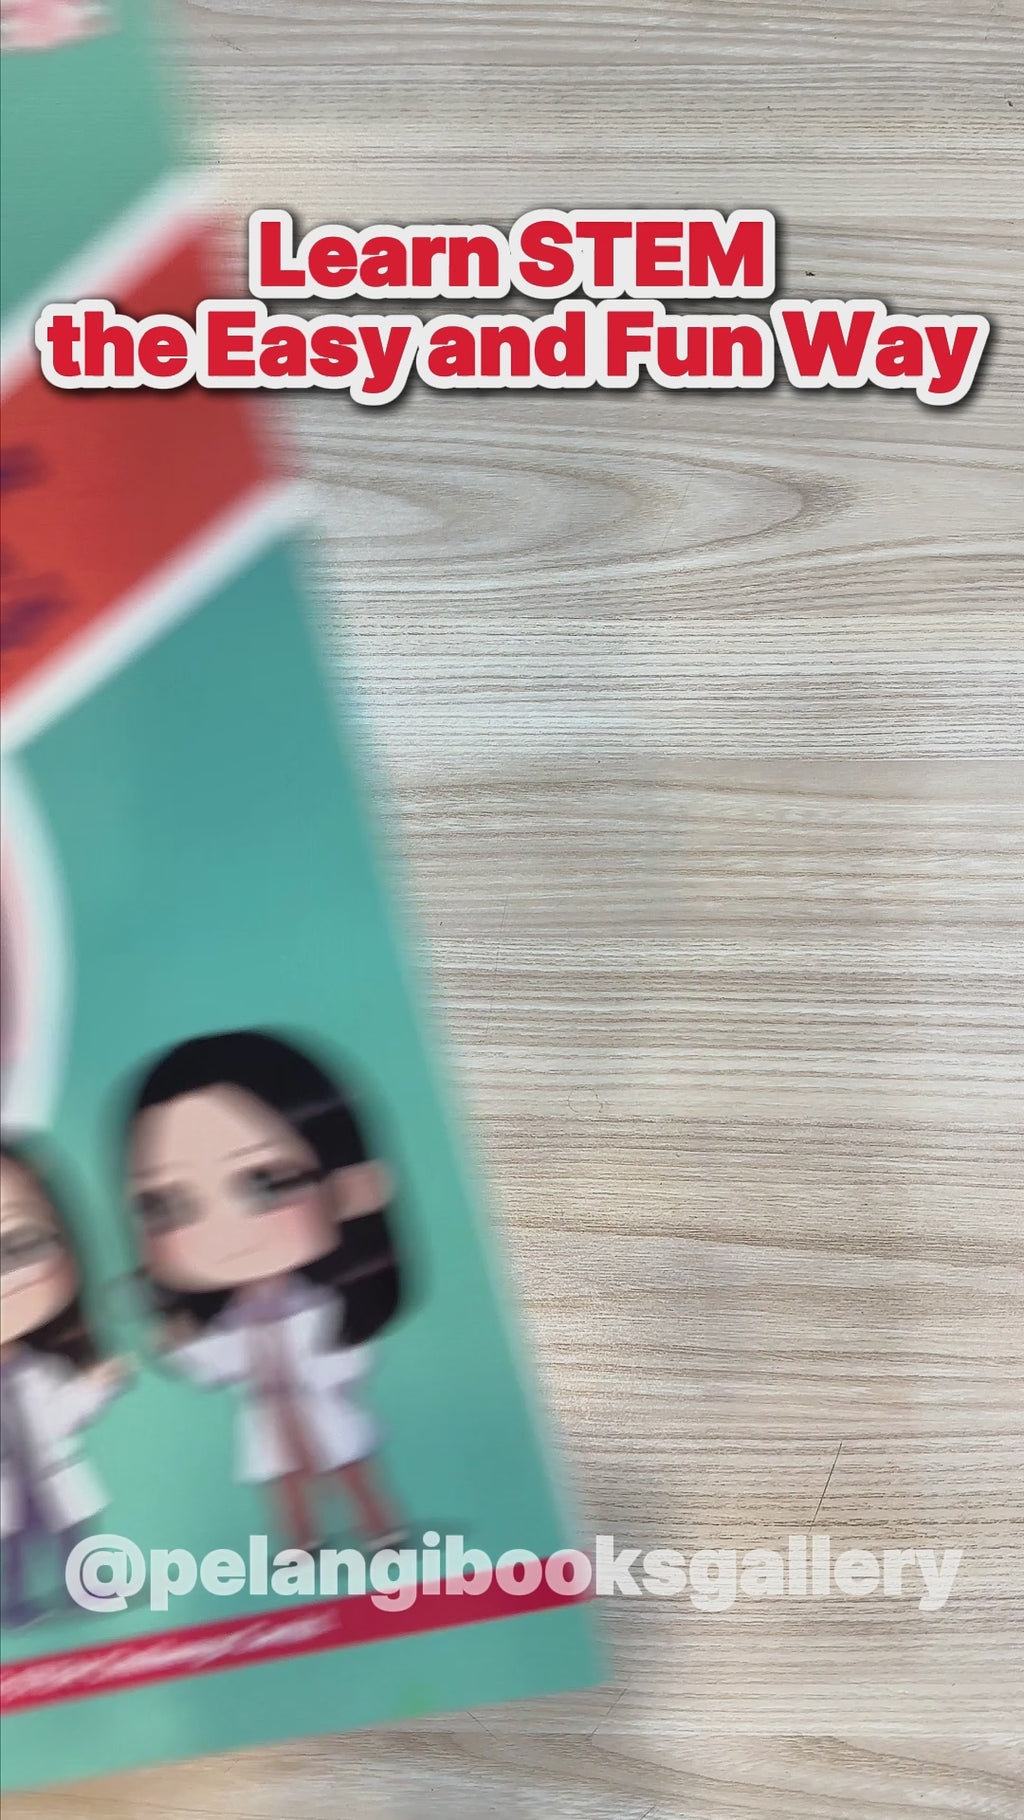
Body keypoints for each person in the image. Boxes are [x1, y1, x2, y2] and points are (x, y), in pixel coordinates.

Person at [124, 1029, 405, 1552]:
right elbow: (217, 1365)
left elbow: (348, 1353)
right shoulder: (232, 1322)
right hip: (267, 1419)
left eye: (269, 1182)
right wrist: (177, 1339)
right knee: (285, 1484)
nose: (225, 1235)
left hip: (319, 1406)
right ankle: (301, 1543)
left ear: (349, 1185)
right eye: (166, 1206)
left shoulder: (321, 1304)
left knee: (350, 1468)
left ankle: (382, 1529)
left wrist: (317, 1374)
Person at [0, 1141, 130, 1628]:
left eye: (19, 1246)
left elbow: (60, 1416)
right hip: (10, 1482)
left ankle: (89, 1589)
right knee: (10, 1546)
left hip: (48, 1472)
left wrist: (96, 1386)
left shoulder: (39, 1369)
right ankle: (12, 1602)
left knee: (73, 1531)